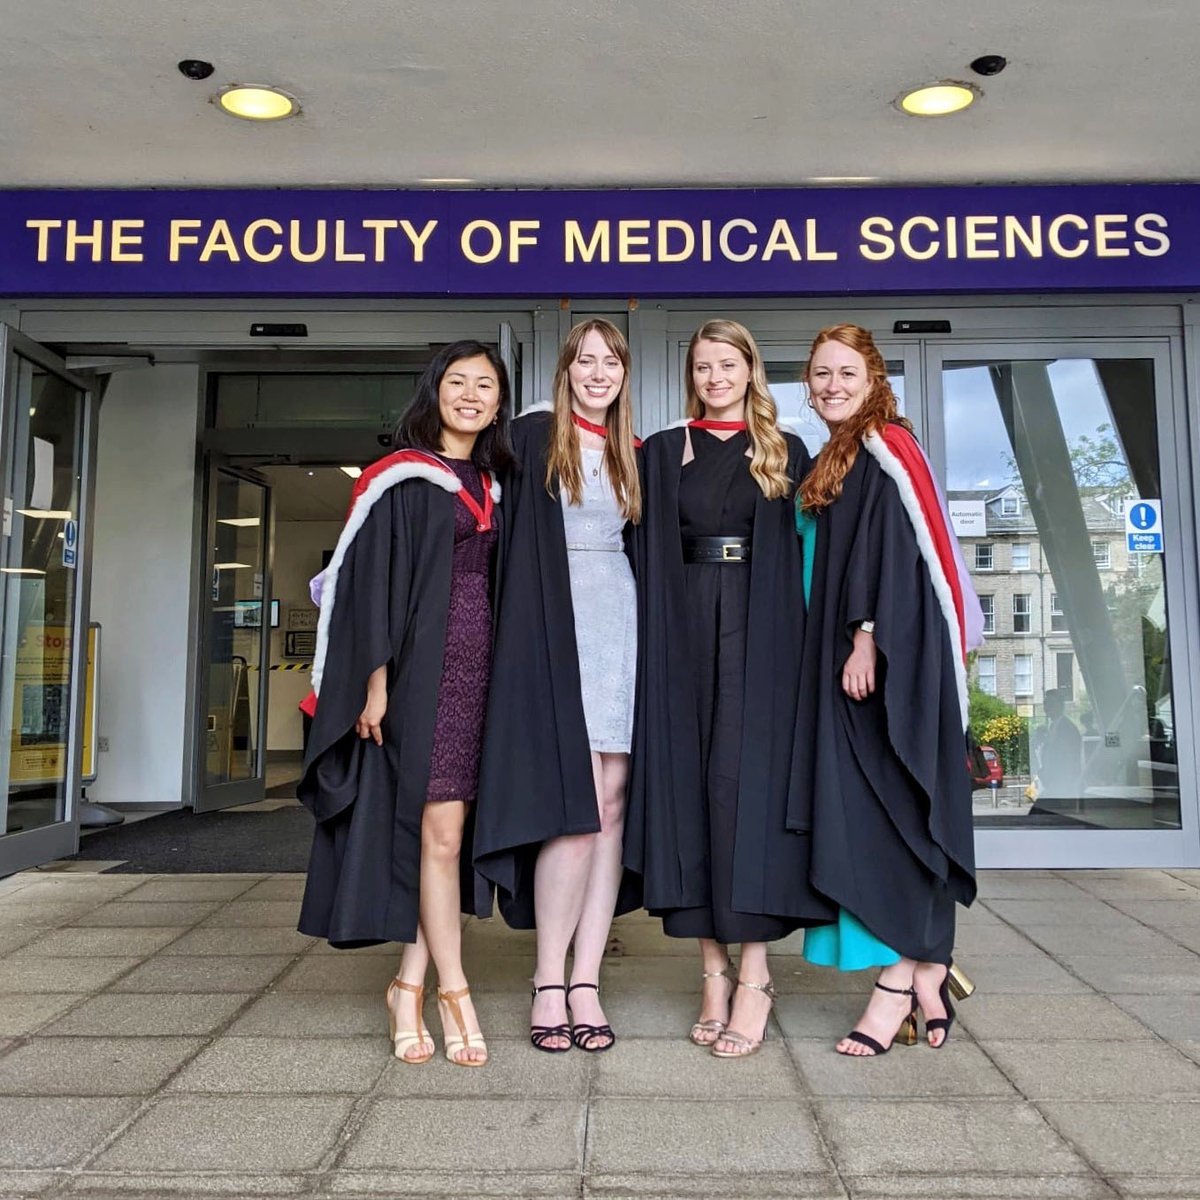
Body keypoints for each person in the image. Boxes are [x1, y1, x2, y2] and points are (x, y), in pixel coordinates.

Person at [296, 340, 514, 1067]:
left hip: (484, 675)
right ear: (434, 391)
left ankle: (408, 984)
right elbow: (371, 585)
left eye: (485, 385)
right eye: (458, 382)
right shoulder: (400, 479)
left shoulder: (497, 482)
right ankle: (455, 991)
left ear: (499, 403)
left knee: (445, 839)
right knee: (438, 834)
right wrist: (375, 681)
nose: (471, 396)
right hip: (425, 673)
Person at [625, 318, 835, 1059]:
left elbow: (821, 555)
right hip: (681, 629)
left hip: (763, 632)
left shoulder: (787, 451)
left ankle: (755, 975)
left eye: (727, 364)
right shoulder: (660, 451)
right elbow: (631, 548)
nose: (714, 378)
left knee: (747, 794)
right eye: (702, 366)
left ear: (750, 370)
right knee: (690, 792)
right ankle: (711, 973)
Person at [792, 323, 981, 1056]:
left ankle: (897, 981)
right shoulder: (835, 454)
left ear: (873, 379)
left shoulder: (887, 447)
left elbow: (900, 552)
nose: (833, 384)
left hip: (883, 660)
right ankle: (928, 966)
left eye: (847, 372)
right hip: (837, 656)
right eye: (821, 373)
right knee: (874, 815)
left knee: (898, 807)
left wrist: (866, 635)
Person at [475, 318, 641, 1054]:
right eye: (585, 360)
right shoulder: (532, 438)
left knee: (612, 798)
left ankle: (587, 980)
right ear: (565, 368)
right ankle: (548, 978)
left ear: (625, 374)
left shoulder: (635, 452)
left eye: (611, 362)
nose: (598, 373)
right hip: (550, 622)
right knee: (572, 805)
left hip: (619, 620)